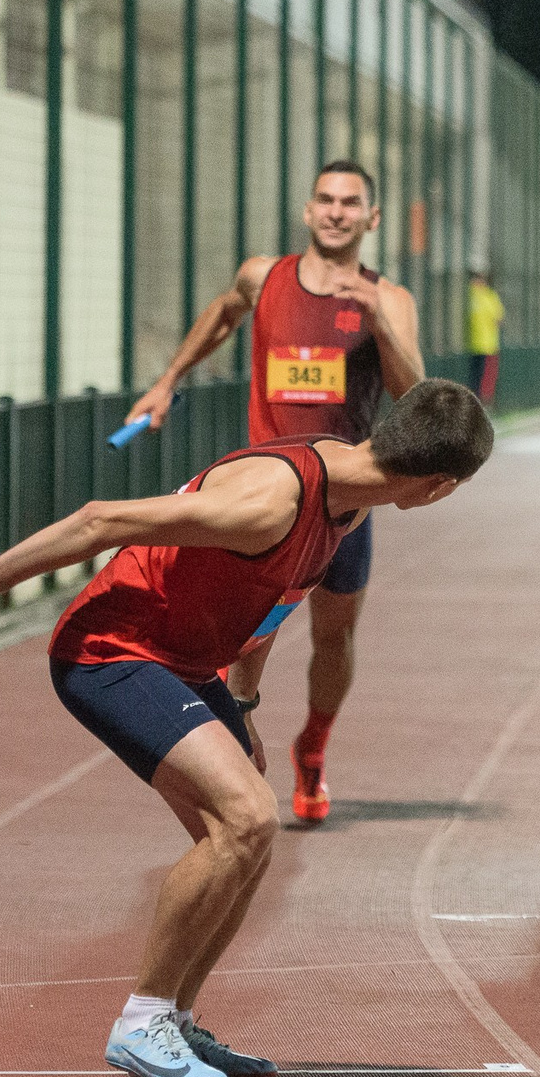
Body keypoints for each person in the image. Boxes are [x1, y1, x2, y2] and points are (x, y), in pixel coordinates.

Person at [0, 379, 493, 1077]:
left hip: (185, 661)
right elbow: (101, 520)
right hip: (111, 650)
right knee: (243, 817)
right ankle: (141, 1020)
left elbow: (272, 599)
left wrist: (242, 701)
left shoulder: (345, 497)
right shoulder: (273, 500)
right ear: (436, 487)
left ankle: (175, 1020)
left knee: (254, 829)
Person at [123, 158, 424, 825]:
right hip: (266, 494)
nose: (336, 210)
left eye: (351, 202)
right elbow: (225, 314)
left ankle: (312, 746)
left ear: (371, 219)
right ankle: (238, 728)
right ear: (308, 210)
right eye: (325, 199)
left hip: (345, 503)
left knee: (333, 638)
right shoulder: (264, 276)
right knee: (246, 631)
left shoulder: (389, 297)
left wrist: (383, 325)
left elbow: (415, 398)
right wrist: (168, 378)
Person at [466, 266, 505, 407]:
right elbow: (499, 320)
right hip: (483, 345)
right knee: (482, 378)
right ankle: (480, 404)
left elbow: (499, 320)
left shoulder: (480, 296)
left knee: (478, 377)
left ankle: (479, 403)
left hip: (483, 345)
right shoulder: (488, 296)